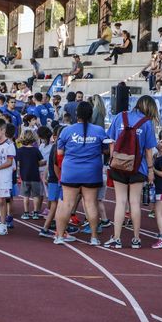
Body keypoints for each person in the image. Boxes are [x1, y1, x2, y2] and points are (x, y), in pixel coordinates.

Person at [104, 96, 159, 250]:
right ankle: (136, 238)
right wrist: (150, 170)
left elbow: (111, 141)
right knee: (135, 202)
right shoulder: (147, 123)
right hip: (138, 167)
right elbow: (149, 150)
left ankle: (117, 238)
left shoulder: (120, 116)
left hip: (119, 164)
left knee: (120, 202)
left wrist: (114, 159)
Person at [53, 102, 107, 246]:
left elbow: (59, 154)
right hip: (92, 172)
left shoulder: (66, 131)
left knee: (66, 205)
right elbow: (106, 150)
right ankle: (94, 237)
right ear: (91, 114)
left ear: (77, 114)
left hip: (71, 172)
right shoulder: (99, 130)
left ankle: (59, 236)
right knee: (90, 204)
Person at [17, 129, 45, 221]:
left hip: (24, 176)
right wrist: (40, 163)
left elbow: (17, 163)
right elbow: (41, 161)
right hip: (35, 176)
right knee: (36, 195)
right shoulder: (35, 150)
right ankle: (36, 212)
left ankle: (26, 213)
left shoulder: (20, 150)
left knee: (26, 196)